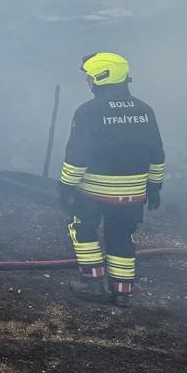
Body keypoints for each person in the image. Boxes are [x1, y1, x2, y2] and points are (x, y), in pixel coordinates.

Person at [57, 52, 165, 307]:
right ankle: (122, 292)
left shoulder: (88, 112)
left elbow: (77, 155)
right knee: (121, 236)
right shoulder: (145, 110)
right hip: (133, 194)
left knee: (82, 228)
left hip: (94, 191)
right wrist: (154, 187)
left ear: (100, 76)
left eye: (89, 77)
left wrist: (66, 186)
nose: (88, 82)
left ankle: (92, 284)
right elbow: (156, 153)